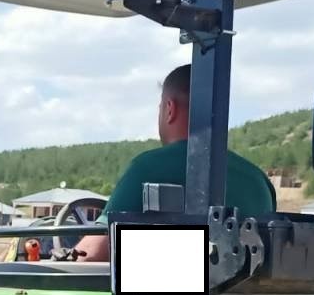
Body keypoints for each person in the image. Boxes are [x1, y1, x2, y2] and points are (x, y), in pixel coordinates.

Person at [76, 64, 276, 262]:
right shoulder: (260, 182)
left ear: (169, 109)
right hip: (245, 294)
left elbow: (90, 255)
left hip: (168, 293)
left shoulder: (147, 168)